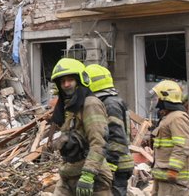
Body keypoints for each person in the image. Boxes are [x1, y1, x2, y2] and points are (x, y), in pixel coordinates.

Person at [50, 59, 112, 196]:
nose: (66, 85)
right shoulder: (69, 107)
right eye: (62, 81)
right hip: (69, 174)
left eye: (70, 80)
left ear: (80, 80)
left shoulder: (90, 104)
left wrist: (88, 175)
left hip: (93, 178)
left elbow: (99, 142)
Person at [84, 65, 133, 196]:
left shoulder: (110, 104)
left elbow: (116, 138)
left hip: (117, 165)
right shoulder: (109, 101)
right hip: (116, 164)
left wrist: (110, 166)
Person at [149, 80, 189, 196]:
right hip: (163, 176)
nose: (155, 101)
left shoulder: (177, 118)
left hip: (173, 179)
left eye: (157, 97)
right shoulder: (168, 117)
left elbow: (183, 145)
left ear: (165, 98)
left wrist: (173, 169)